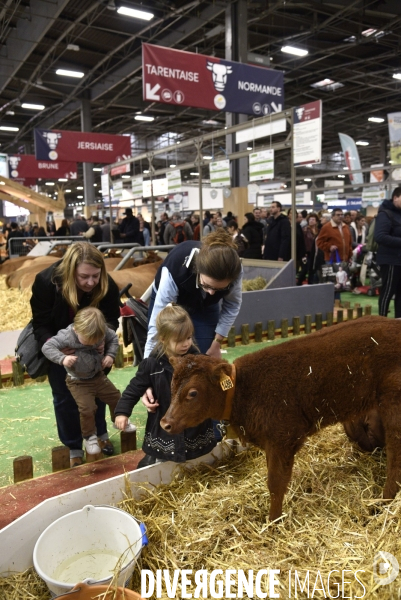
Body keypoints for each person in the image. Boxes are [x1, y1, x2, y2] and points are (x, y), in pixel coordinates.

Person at [30, 242, 120, 467]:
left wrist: (101, 341)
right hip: (62, 350)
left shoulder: (107, 286)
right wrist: (55, 347)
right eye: (84, 277)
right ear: (71, 271)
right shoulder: (46, 282)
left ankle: (100, 436)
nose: (91, 282)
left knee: (97, 394)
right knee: (64, 398)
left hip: (93, 354)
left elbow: (111, 318)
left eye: (95, 276)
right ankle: (73, 446)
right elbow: (40, 324)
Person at [115, 304, 216, 468]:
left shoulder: (199, 362)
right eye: (179, 340)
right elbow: (134, 388)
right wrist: (122, 412)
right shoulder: (152, 364)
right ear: (163, 338)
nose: (186, 344)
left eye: (189, 338)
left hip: (194, 426)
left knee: (198, 461)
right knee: (163, 463)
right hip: (164, 427)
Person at [42, 307, 136, 460]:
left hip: (98, 376)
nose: (91, 344)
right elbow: (47, 347)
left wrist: (110, 355)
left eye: (95, 341)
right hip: (78, 381)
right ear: (77, 329)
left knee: (116, 397)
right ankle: (89, 437)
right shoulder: (67, 336)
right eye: (87, 341)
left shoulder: (102, 330)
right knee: (87, 408)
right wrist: (62, 358)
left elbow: (113, 339)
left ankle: (118, 421)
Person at [145, 229, 242, 359]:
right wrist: (147, 365)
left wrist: (216, 344)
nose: (212, 292)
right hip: (174, 300)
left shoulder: (234, 270)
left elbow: (232, 305)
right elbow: (156, 327)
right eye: (206, 285)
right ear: (198, 270)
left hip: (205, 305)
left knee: (202, 354)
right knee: (167, 350)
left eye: (218, 289)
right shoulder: (177, 268)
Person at [375, 187, 401, 318]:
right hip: (390, 260)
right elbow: (380, 236)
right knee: (387, 292)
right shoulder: (385, 214)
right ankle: (381, 321)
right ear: (395, 197)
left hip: (399, 260)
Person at [316, 208, 352, 302]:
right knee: (332, 282)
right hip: (331, 259)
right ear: (333, 216)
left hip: (343, 260)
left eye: (341, 215)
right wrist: (329, 247)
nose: (340, 216)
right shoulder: (327, 227)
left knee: (339, 282)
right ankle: (330, 302)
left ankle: (336, 302)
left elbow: (349, 243)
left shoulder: (346, 227)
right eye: (338, 215)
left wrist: (350, 256)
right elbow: (319, 242)